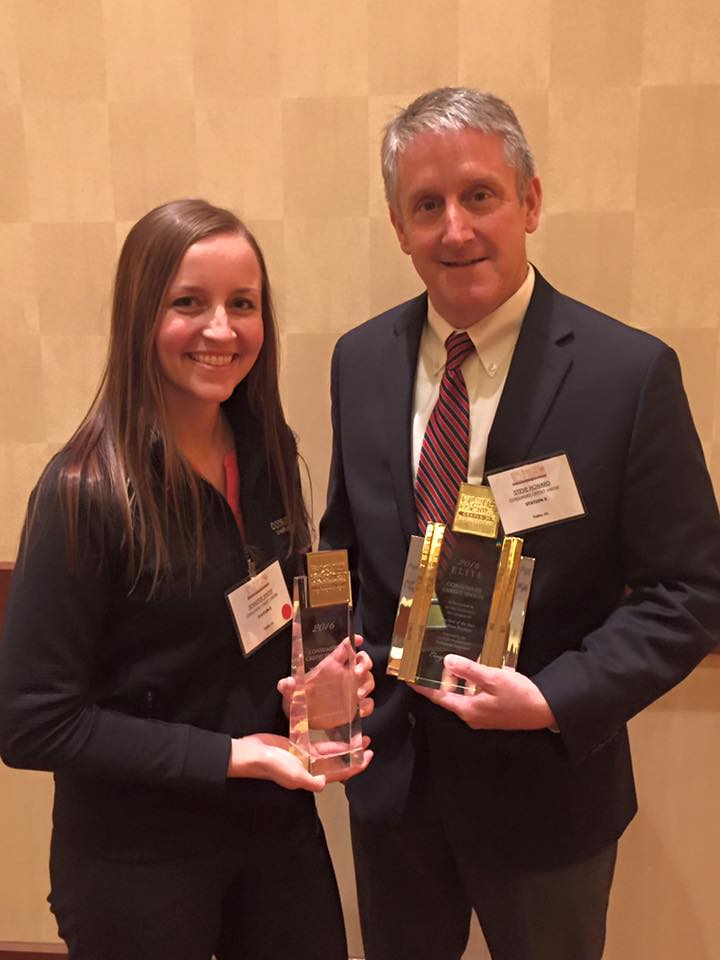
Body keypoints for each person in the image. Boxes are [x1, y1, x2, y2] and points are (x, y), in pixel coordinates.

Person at [319, 87, 720, 960]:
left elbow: (689, 594)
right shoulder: (359, 360)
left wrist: (553, 700)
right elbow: (342, 541)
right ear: (399, 226)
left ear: (530, 202)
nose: (455, 230)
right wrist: (331, 656)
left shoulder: (629, 374)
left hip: (548, 801)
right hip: (394, 789)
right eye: (427, 206)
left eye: (479, 195)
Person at [0, 198, 373, 960]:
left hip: (273, 831)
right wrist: (233, 754)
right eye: (188, 304)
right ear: (141, 316)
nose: (221, 330)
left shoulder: (266, 449)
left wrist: (314, 687)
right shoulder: (85, 491)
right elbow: (31, 723)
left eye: (243, 304)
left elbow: (260, 624)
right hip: (138, 857)